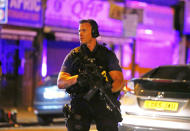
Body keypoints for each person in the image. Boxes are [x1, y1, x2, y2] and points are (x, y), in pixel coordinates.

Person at [57, 19, 124, 131]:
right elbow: (61, 82)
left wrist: (108, 90)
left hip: (102, 102)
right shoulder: (74, 56)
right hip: (81, 102)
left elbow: (119, 81)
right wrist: (78, 78)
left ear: (94, 32)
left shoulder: (106, 55)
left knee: (109, 125)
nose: (80, 34)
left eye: (84, 30)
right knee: (76, 125)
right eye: (79, 31)